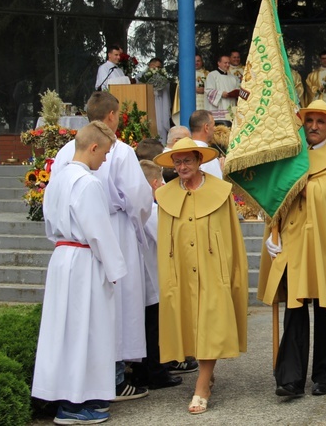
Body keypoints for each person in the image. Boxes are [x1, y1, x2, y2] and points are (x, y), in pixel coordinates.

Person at [51, 91, 152, 402]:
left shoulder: (68, 149)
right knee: (117, 303)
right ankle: (116, 376)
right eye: (118, 115)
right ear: (111, 116)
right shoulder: (118, 150)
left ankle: (94, 378)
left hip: (72, 239)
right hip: (111, 231)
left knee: (87, 312)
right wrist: (138, 225)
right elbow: (138, 197)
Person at [259, 100, 326, 398]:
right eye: (310, 120)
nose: (314, 126)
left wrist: (304, 186)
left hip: (325, 240)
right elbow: (277, 193)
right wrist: (272, 231)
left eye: (320, 121)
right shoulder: (292, 151)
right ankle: (290, 378)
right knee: (295, 309)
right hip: (293, 239)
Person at [32, 121, 126, 425]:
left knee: (64, 331)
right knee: (85, 330)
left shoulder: (57, 180)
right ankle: (75, 404)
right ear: (94, 147)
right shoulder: (87, 183)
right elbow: (99, 232)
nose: (106, 160)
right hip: (85, 261)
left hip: (62, 257)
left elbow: (50, 227)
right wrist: (115, 269)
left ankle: (62, 395)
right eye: (106, 153)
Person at [153, 137, 248, 414]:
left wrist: (230, 271)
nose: (182, 166)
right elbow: (165, 240)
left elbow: (230, 234)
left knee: (211, 324)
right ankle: (207, 376)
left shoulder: (220, 191)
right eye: (178, 161)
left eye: (188, 160)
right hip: (181, 270)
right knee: (190, 325)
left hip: (212, 267)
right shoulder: (166, 195)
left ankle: (202, 385)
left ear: (199, 160)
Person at [130, 160, 183, 390]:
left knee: (147, 326)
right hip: (151, 278)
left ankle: (145, 370)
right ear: (154, 184)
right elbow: (165, 239)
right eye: (161, 181)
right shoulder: (151, 209)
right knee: (153, 328)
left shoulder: (138, 207)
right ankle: (156, 372)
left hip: (141, 275)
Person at [204, 53, 239, 125]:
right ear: (219, 63)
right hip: (218, 107)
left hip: (230, 105)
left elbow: (237, 89)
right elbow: (208, 91)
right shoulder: (212, 75)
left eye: (229, 63)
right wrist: (221, 93)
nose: (227, 65)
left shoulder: (233, 77)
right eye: (225, 63)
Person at [189, 110, 223, 179]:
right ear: (206, 128)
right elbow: (217, 185)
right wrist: (222, 171)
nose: (214, 129)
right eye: (213, 126)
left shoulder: (184, 150)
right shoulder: (208, 156)